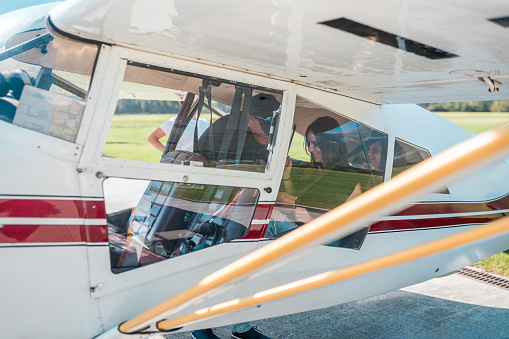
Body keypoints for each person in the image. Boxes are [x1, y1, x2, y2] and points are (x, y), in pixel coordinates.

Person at [191, 93, 278, 339]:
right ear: (251, 117)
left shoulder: (248, 130)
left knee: (239, 264)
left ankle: (239, 326)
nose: (270, 131)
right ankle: (200, 326)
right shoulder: (228, 132)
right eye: (268, 123)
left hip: (232, 202)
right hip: (212, 203)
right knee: (217, 263)